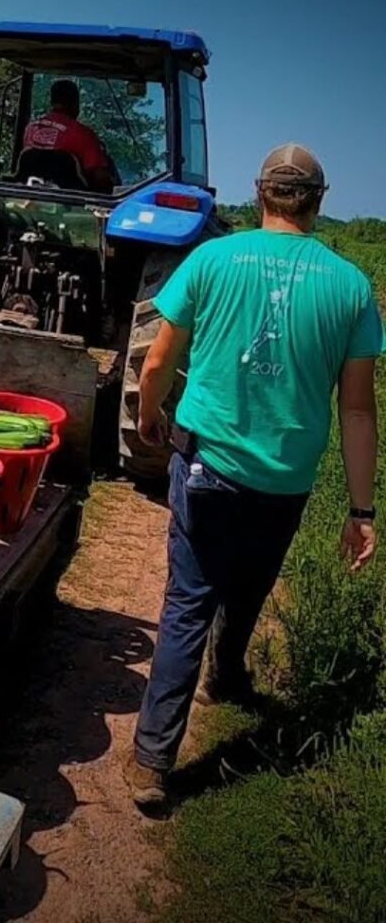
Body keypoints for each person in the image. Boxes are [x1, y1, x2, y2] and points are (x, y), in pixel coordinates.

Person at [124, 143, 383, 809]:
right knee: (252, 583)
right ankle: (228, 677)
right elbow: (357, 408)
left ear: (261, 193)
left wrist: (150, 420)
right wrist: (362, 512)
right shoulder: (352, 287)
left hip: (207, 464)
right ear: (319, 201)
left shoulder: (212, 258)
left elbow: (154, 366)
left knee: (188, 600)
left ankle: (154, 762)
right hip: (286, 480)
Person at [21, 79, 114, 192]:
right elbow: (101, 178)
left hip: (30, 197)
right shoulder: (83, 134)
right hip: (72, 203)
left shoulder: (30, 129)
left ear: (52, 101)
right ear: (76, 103)